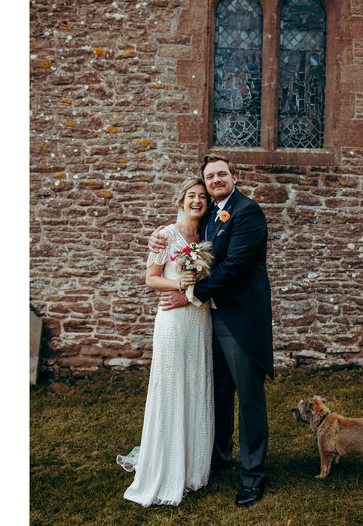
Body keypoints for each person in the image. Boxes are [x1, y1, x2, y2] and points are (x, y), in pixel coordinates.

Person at [149, 154, 273, 507]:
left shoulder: (248, 211)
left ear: (235, 176)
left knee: (248, 399)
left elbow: (234, 266)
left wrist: (191, 296)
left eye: (221, 174)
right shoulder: (210, 218)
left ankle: (252, 476)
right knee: (216, 392)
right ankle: (218, 458)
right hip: (209, 321)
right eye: (210, 176)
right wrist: (159, 238)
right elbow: (185, 242)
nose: (215, 180)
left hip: (239, 320)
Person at [117, 178, 215, 507]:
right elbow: (150, 278)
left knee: (195, 384)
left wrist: (193, 291)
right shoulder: (165, 234)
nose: (198, 201)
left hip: (199, 318)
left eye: (202, 196)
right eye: (192, 196)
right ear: (181, 200)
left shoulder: (209, 235)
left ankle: (192, 468)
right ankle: (166, 467)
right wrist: (178, 283)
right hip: (172, 320)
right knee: (172, 386)